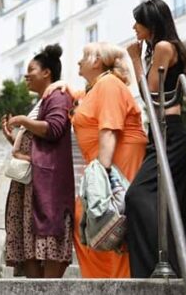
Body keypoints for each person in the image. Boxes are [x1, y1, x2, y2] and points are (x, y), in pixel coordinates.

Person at [124, 0, 186, 279]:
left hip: (169, 132)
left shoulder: (163, 47)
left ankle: (161, 264)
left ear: (151, 24)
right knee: (176, 204)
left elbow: (150, 95)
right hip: (163, 132)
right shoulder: (163, 47)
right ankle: (181, 268)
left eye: (138, 22)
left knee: (137, 196)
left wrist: (135, 60)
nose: (134, 27)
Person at [67, 42, 148, 277]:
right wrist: (62, 87)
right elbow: (81, 99)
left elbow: (109, 129)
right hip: (105, 162)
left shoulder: (109, 84)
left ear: (97, 61)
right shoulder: (96, 87)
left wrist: (103, 174)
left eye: (84, 56)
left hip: (117, 162)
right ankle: (101, 282)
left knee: (113, 220)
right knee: (90, 221)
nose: (79, 61)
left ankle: (118, 282)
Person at [2, 44, 74, 278]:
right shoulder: (44, 100)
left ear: (47, 72)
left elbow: (54, 128)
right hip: (32, 181)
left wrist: (23, 121)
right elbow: (38, 140)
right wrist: (14, 138)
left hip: (45, 186)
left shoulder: (58, 96)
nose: (26, 75)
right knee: (30, 244)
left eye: (31, 70)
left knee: (46, 238)